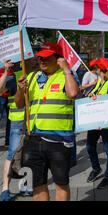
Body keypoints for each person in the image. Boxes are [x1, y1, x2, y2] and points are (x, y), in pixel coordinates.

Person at [15, 42, 79, 201]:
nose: (42, 62)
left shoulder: (67, 75)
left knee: (61, 183)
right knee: (37, 184)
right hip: (33, 139)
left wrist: (66, 69)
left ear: (58, 60)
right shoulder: (32, 77)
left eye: (47, 58)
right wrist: (20, 89)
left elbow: (72, 93)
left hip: (59, 141)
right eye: (40, 58)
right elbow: (19, 104)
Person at [0, 58, 38, 201]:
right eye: (32, 59)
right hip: (18, 124)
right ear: (24, 61)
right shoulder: (17, 76)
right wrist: (6, 71)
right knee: (12, 155)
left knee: (29, 156)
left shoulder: (39, 76)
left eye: (37, 58)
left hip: (35, 123)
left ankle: (26, 186)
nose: (36, 61)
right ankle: (5, 189)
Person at [85, 58, 108, 189]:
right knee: (89, 146)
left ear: (101, 70)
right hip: (95, 121)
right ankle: (96, 168)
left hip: (106, 123)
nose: (96, 71)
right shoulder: (99, 82)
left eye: (97, 69)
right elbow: (96, 97)